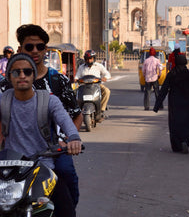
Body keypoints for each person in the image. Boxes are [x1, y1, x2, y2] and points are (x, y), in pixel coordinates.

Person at [1, 24, 83, 209]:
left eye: (28, 72)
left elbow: (71, 116)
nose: (22, 76)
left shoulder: (56, 85)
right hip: (11, 158)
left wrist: (69, 140)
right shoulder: (4, 94)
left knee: (65, 175)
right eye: (16, 72)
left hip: (49, 151)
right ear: (9, 77)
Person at [154, 54, 189, 154]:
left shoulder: (172, 74)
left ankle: (177, 146)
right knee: (188, 124)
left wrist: (157, 105)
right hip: (187, 103)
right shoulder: (188, 74)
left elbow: (164, 90)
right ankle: (185, 141)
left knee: (175, 125)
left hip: (175, 103)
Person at [75, 49, 111, 119]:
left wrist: (105, 78)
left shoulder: (99, 66)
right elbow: (77, 76)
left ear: (94, 58)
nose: (89, 60)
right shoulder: (81, 67)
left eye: (90, 59)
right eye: (87, 59)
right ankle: (76, 111)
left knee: (107, 91)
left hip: (96, 85)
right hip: (84, 86)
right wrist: (76, 79)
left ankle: (101, 110)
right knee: (73, 93)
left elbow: (107, 74)